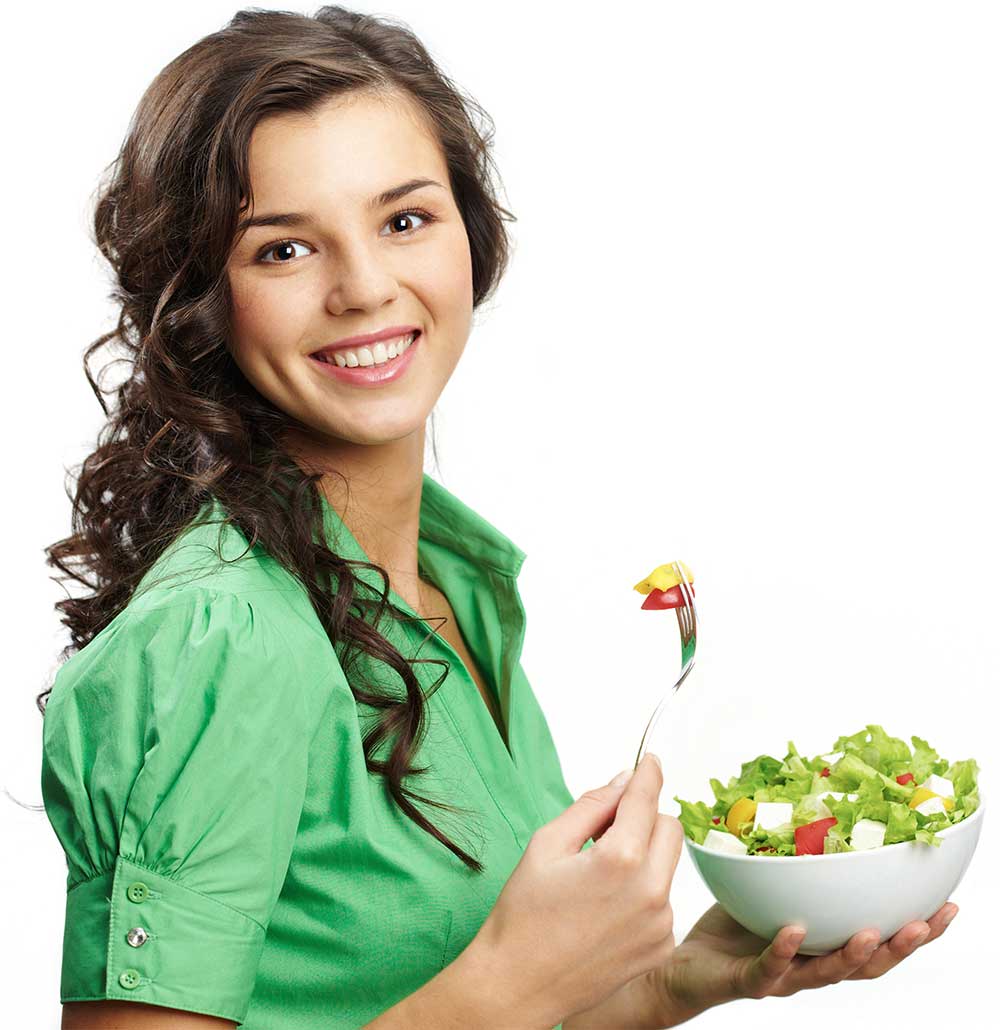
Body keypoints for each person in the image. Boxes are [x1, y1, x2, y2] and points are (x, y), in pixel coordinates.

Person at [38, 6, 958, 1029]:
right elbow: (495, 994)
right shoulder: (221, 637)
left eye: (403, 220)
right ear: (202, 298)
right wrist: (513, 975)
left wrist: (668, 983)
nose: (365, 287)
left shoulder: (447, 584)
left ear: (472, 237)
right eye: (286, 249)